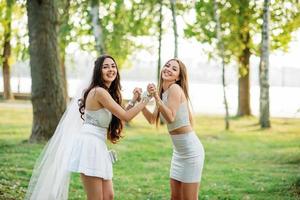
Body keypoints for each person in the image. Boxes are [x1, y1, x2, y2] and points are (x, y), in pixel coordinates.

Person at [25, 55, 150, 200]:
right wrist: (146, 99)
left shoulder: (105, 92)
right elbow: (125, 116)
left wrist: (134, 101)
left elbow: (118, 114)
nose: (111, 69)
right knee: (96, 197)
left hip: (99, 145)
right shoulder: (99, 92)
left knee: (108, 196)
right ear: (98, 71)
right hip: (89, 145)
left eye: (113, 66)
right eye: (106, 67)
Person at [141, 58, 205, 200]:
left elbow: (170, 117)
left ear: (178, 77)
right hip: (178, 152)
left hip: (191, 153)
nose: (168, 69)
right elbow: (152, 119)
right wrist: (141, 103)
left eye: (174, 69)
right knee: (175, 197)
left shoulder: (175, 89)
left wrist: (156, 97)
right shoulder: (162, 93)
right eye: (167, 65)